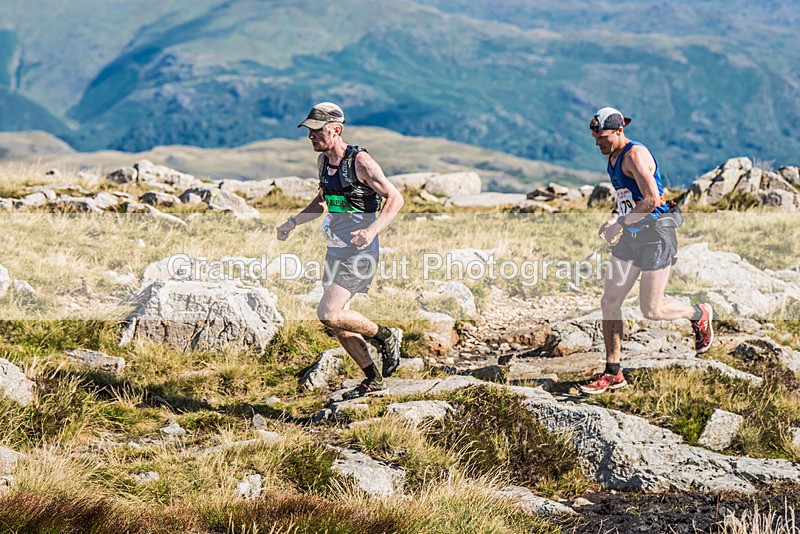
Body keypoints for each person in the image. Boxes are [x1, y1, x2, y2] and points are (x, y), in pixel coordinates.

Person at [580, 107, 714, 395]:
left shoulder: (635, 155)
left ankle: (698, 313)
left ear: (620, 131)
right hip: (631, 236)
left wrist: (621, 223)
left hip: (656, 236)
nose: (597, 143)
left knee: (651, 310)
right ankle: (613, 372)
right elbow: (627, 197)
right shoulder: (613, 157)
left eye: (602, 137)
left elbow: (653, 200)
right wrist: (614, 218)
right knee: (609, 301)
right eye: (595, 137)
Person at [277, 102, 405, 399]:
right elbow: (322, 201)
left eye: (317, 130)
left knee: (328, 313)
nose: (311, 136)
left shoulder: (361, 162)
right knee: (339, 322)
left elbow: (395, 198)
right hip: (335, 251)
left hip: (360, 253)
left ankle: (385, 335)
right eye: (308, 130)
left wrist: (371, 231)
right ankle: (373, 378)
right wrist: (293, 222)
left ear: (336, 130)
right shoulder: (323, 162)